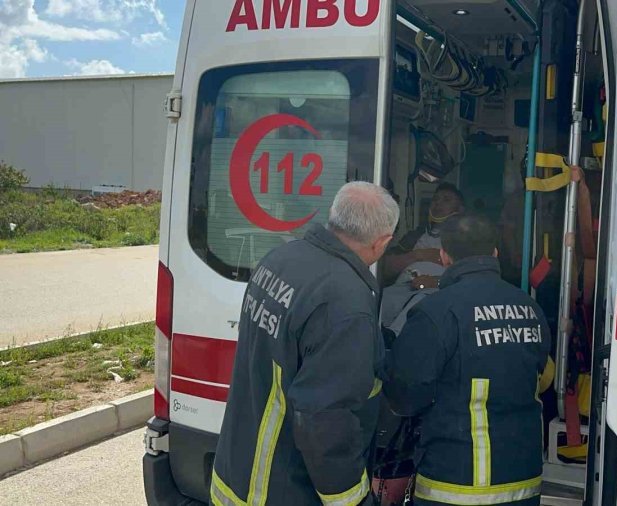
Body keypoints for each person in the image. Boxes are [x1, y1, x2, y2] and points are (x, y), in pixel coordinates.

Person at [210, 182, 399, 506]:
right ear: (382, 242)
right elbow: (325, 421)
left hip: (235, 475)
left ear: (333, 217)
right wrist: (352, 501)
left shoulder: (280, 259)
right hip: (281, 489)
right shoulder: (345, 304)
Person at [383, 214, 552, 506]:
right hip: (522, 482)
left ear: (444, 256)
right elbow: (543, 375)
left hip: (454, 484)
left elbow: (405, 395)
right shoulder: (529, 307)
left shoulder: (436, 313)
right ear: (495, 253)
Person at [381, 183, 465, 287]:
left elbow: (471, 278)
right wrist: (418, 255)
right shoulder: (415, 236)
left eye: (446, 200)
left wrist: (436, 282)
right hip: (406, 290)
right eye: (435, 199)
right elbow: (382, 268)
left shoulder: (466, 239)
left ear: (460, 209)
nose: (438, 203)